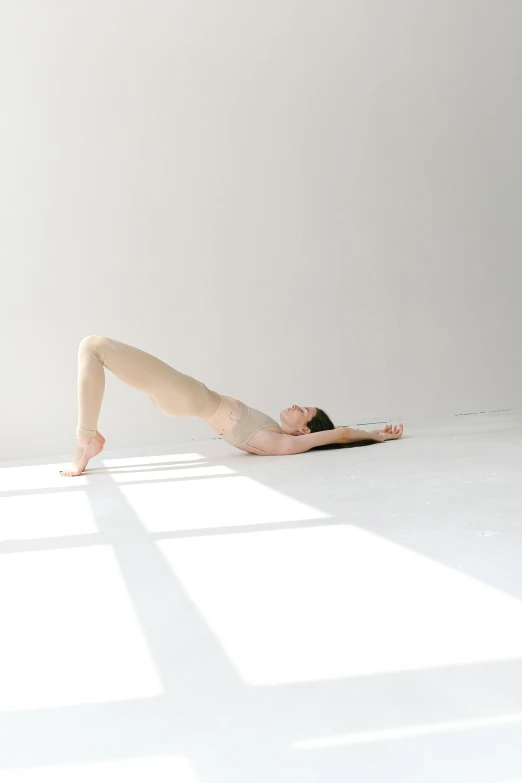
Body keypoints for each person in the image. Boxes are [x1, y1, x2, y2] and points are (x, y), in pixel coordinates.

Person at [60, 335, 403, 476]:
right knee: (94, 348)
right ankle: (87, 437)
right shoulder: (272, 433)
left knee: (93, 346)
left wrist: (376, 436)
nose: (297, 405)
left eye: (305, 411)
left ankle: (85, 439)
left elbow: (340, 433)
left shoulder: (286, 444)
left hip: (192, 397)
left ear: (304, 430)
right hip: (188, 399)